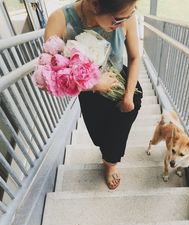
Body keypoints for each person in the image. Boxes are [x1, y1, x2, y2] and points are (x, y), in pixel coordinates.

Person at [44, 0, 143, 189]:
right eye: (117, 20)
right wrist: (94, 84)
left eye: (130, 15)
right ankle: (107, 153)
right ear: (95, 4)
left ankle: (110, 163)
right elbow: (54, 76)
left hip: (123, 86)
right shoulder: (60, 20)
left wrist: (129, 95)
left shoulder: (124, 13)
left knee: (118, 133)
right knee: (98, 135)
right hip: (90, 94)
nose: (123, 23)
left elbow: (134, 56)